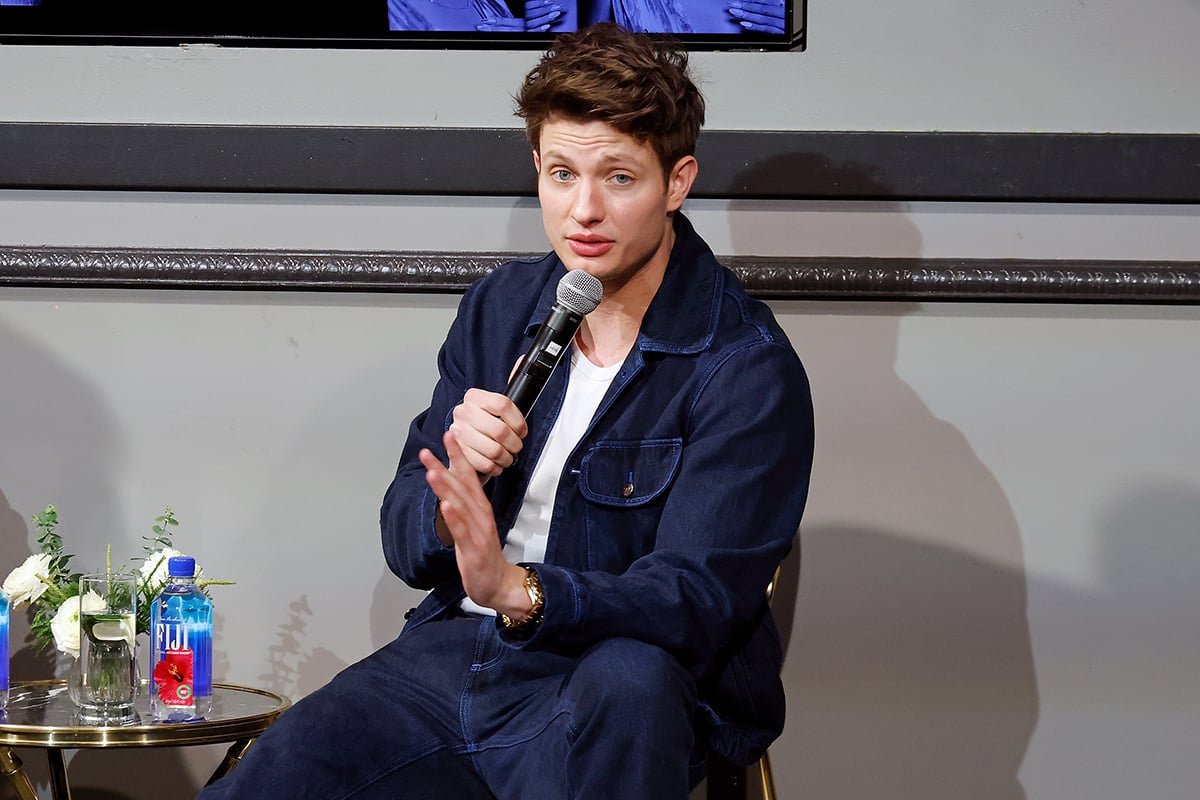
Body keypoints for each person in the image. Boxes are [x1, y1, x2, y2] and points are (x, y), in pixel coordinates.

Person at [199, 22, 812, 799]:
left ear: (677, 181)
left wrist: (524, 591)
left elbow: (697, 602)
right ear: (537, 170)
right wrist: (456, 479)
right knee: (270, 780)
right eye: (561, 174)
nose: (583, 210)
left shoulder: (744, 364)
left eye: (618, 178)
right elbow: (405, 541)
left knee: (632, 679)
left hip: (620, 682)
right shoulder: (501, 307)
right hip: (462, 652)